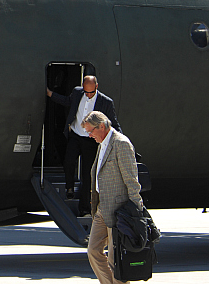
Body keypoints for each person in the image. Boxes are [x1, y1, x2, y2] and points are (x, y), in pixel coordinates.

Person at [81, 111, 142, 284]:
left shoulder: (121, 143)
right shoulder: (102, 144)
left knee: (116, 260)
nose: (89, 135)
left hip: (119, 211)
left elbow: (131, 180)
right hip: (102, 209)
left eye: (90, 131)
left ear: (102, 126)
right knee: (93, 250)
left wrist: (136, 210)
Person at [47, 75, 121, 216]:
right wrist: (50, 94)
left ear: (96, 87)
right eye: (86, 92)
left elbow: (114, 124)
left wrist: (121, 141)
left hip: (90, 140)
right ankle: (69, 187)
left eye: (91, 92)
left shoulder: (105, 102)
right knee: (68, 161)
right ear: (82, 86)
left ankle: (85, 208)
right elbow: (66, 101)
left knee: (88, 174)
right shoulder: (77, 93)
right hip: (75, 135)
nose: (88, 95)